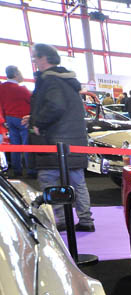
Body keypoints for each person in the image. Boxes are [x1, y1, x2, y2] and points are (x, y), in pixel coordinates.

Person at [25, 43, 94, 231]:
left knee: (49, 180)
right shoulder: (68, 81)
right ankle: (86, 220)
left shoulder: (50, 80)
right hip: (74, 142)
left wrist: (38, 122)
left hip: (54, 143)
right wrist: (34, 118)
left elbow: (56, 106)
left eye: (35, 57)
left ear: (44, 58)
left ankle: (61, 221)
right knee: (78, 183)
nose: (34, 61)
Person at [0, 65, 33, 177]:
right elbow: (31, 101)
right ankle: (31, 171)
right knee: (27, 145)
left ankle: (17, 170)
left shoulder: (2, 87)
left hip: (9, 119)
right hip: (23, 119)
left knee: (15, 145)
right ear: (15, 74)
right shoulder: (22, 89)